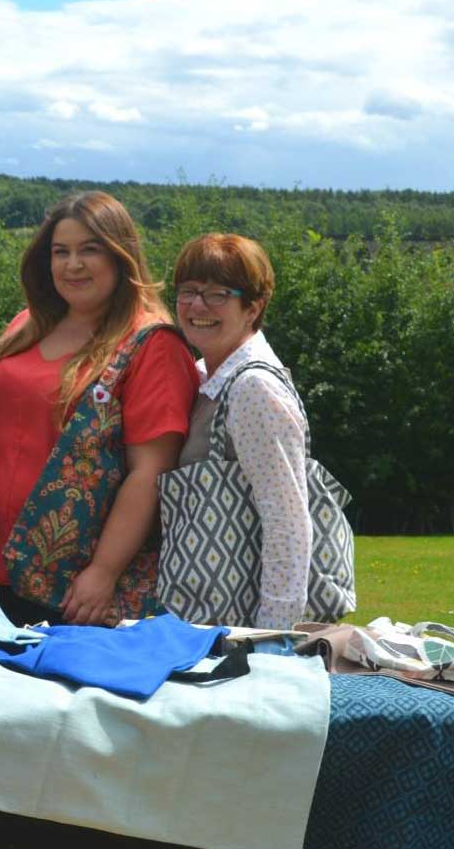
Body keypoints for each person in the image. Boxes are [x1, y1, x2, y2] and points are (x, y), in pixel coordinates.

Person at [0, 191, 199, 627]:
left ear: (121, 256)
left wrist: (103, 572)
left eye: (89, 250)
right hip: (10, 569)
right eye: (61, 252)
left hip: (78, 587)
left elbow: (150, 472)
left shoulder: (150, 344)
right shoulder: (29, 323)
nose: (72, 265)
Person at [171, 233, 311, 629]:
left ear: (253, 307)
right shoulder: (205, 376)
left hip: (237, 626)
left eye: (218, 294)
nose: (198, 305)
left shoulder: (252, 387)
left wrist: (271, 635)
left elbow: (287, 519)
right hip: (205, 616)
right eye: (188, 291)